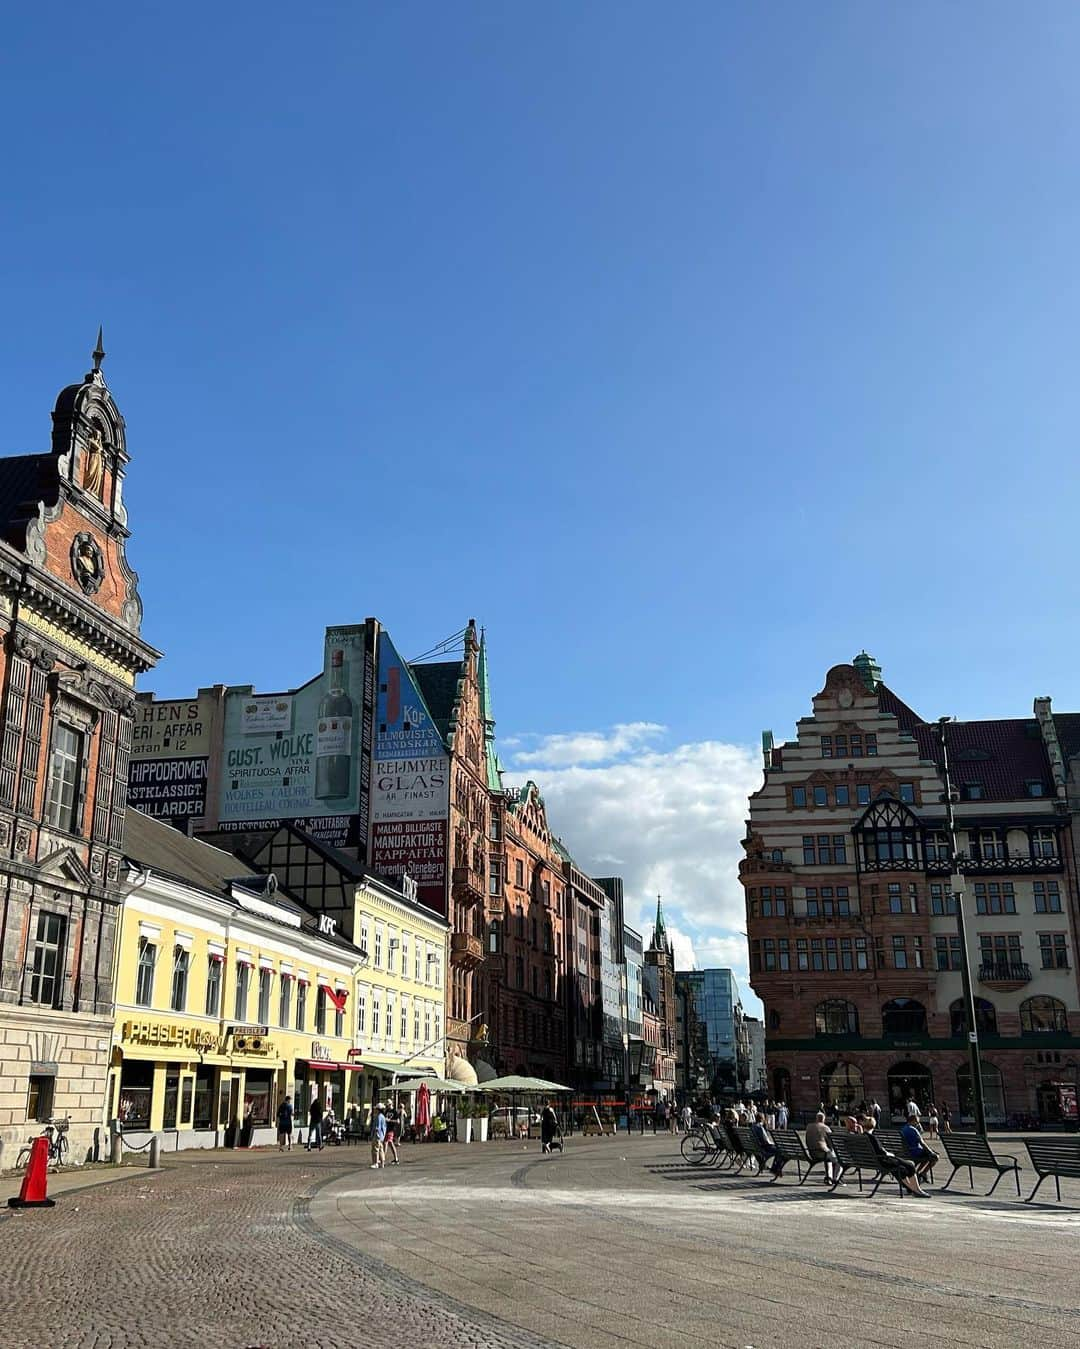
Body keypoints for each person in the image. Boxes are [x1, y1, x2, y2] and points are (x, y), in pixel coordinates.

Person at [863, 1115, 930, 1197]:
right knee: (910, 1165)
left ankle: (912, 1189)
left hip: (872, 1161)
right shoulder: (871, 1137)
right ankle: (918, 1190)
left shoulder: (863, 1136)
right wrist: (889, 1154)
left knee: (901, 1169)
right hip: (882, 1160)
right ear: (874, 1125)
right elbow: (881, 1152)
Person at [900, 1110, 939, 1181]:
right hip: (916, 1152)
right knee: (935, 1157)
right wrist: (931, 1152)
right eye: (917, 1122)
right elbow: (922, 1143)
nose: (918, 1124)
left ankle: (917, 1172)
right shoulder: (913, 1130)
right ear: (913, 1121)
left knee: (926, 1156)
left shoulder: (903, 1129)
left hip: (907, 1152)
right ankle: (922, 1173)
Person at [805, 1110, 840, 1185]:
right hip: (822, 1153)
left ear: (816, 1119)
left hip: (811, 1152)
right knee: (838, 1159)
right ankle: (835, 1179)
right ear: (824, 1119)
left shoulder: (809, 1126)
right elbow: (831, 1143)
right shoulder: (825, 1128)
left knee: (829, 1157)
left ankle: (829, 1177)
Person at [750, 1112, 784, 1180]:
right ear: (762, 1119)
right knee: (780, 1150)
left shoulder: (752, 1127)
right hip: (764, 1147)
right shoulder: (760, 1127)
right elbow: (766, 1140)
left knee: (778, 1150)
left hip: (756, 1148)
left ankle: (767, 1166)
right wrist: (773, 1144)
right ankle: (774, 1169)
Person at [370, 1103, 387, 1169]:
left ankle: (375, 1163)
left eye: (376, 1109)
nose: (375, 1110)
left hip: (377, 1135)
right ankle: (382, 1162)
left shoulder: (378, 1116)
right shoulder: (382, 1116)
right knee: (380, 1149)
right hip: (381, 1135)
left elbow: (377, 1127)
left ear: (378, 1109)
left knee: (375, 1149)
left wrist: (375, 1134)